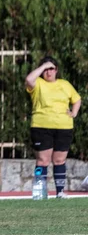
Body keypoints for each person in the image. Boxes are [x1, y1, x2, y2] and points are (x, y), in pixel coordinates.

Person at [25, 56, 81, 199]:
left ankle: (60, 192)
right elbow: (29, 80)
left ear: (56, 70)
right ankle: (39, 192)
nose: (48, 72)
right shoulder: (38, 83)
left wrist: (74, 112)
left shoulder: (65, 84)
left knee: (59, 160)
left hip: (63, 127)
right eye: (46, 69)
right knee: (43, 160)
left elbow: (77, 99)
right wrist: (42, 66)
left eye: (51, 68)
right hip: (41, 126)